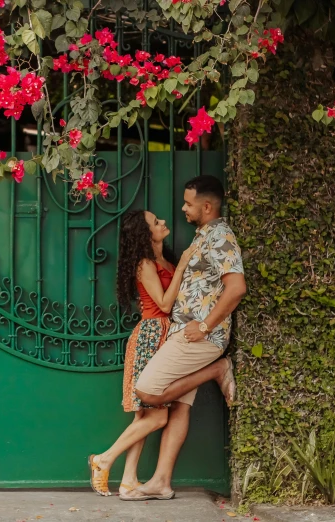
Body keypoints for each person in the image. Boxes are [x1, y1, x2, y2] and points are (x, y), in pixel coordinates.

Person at [88, 175, 244, 499]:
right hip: (165, 332)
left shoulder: (216, 238)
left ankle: (112, 463)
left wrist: (203, 326)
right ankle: (152, 479)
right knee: (165, 410)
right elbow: (165, 300)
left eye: (188, 203)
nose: (179, 211)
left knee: (151, 398)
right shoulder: (188, 243)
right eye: (156, 221)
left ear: (206, 205)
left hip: (189, 334)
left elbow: (234, 288)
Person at [90, 209, 197, 498]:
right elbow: (163, 304)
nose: (163, 222)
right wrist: (184, 265)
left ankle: (128, 481)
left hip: (166, 335)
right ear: (144, 234)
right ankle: (103, 459)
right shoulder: (145, 264)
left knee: (144, 415)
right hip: (151, 336)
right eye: (156, 222)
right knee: (157, 417)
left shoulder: (164, 260)